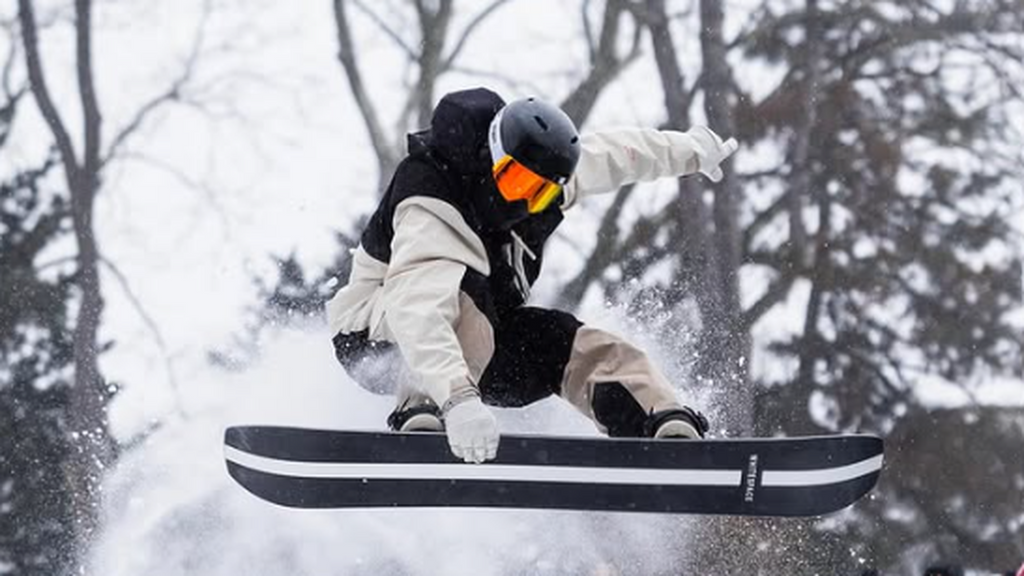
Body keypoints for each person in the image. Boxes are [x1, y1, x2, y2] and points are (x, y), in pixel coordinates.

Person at [326, 87, 738, 463]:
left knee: (569, 340)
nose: (523, 199)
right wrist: (458, 401)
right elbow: (418, 308)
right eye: (517, 180)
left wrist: (691, 151)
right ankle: (421, 411)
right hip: (379, 336)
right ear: (492, 158)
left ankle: (658, 422)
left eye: (538, 191)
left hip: (479, 346)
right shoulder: (431, 195)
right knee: (458, 296)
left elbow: (616, 153)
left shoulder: (540, 193)